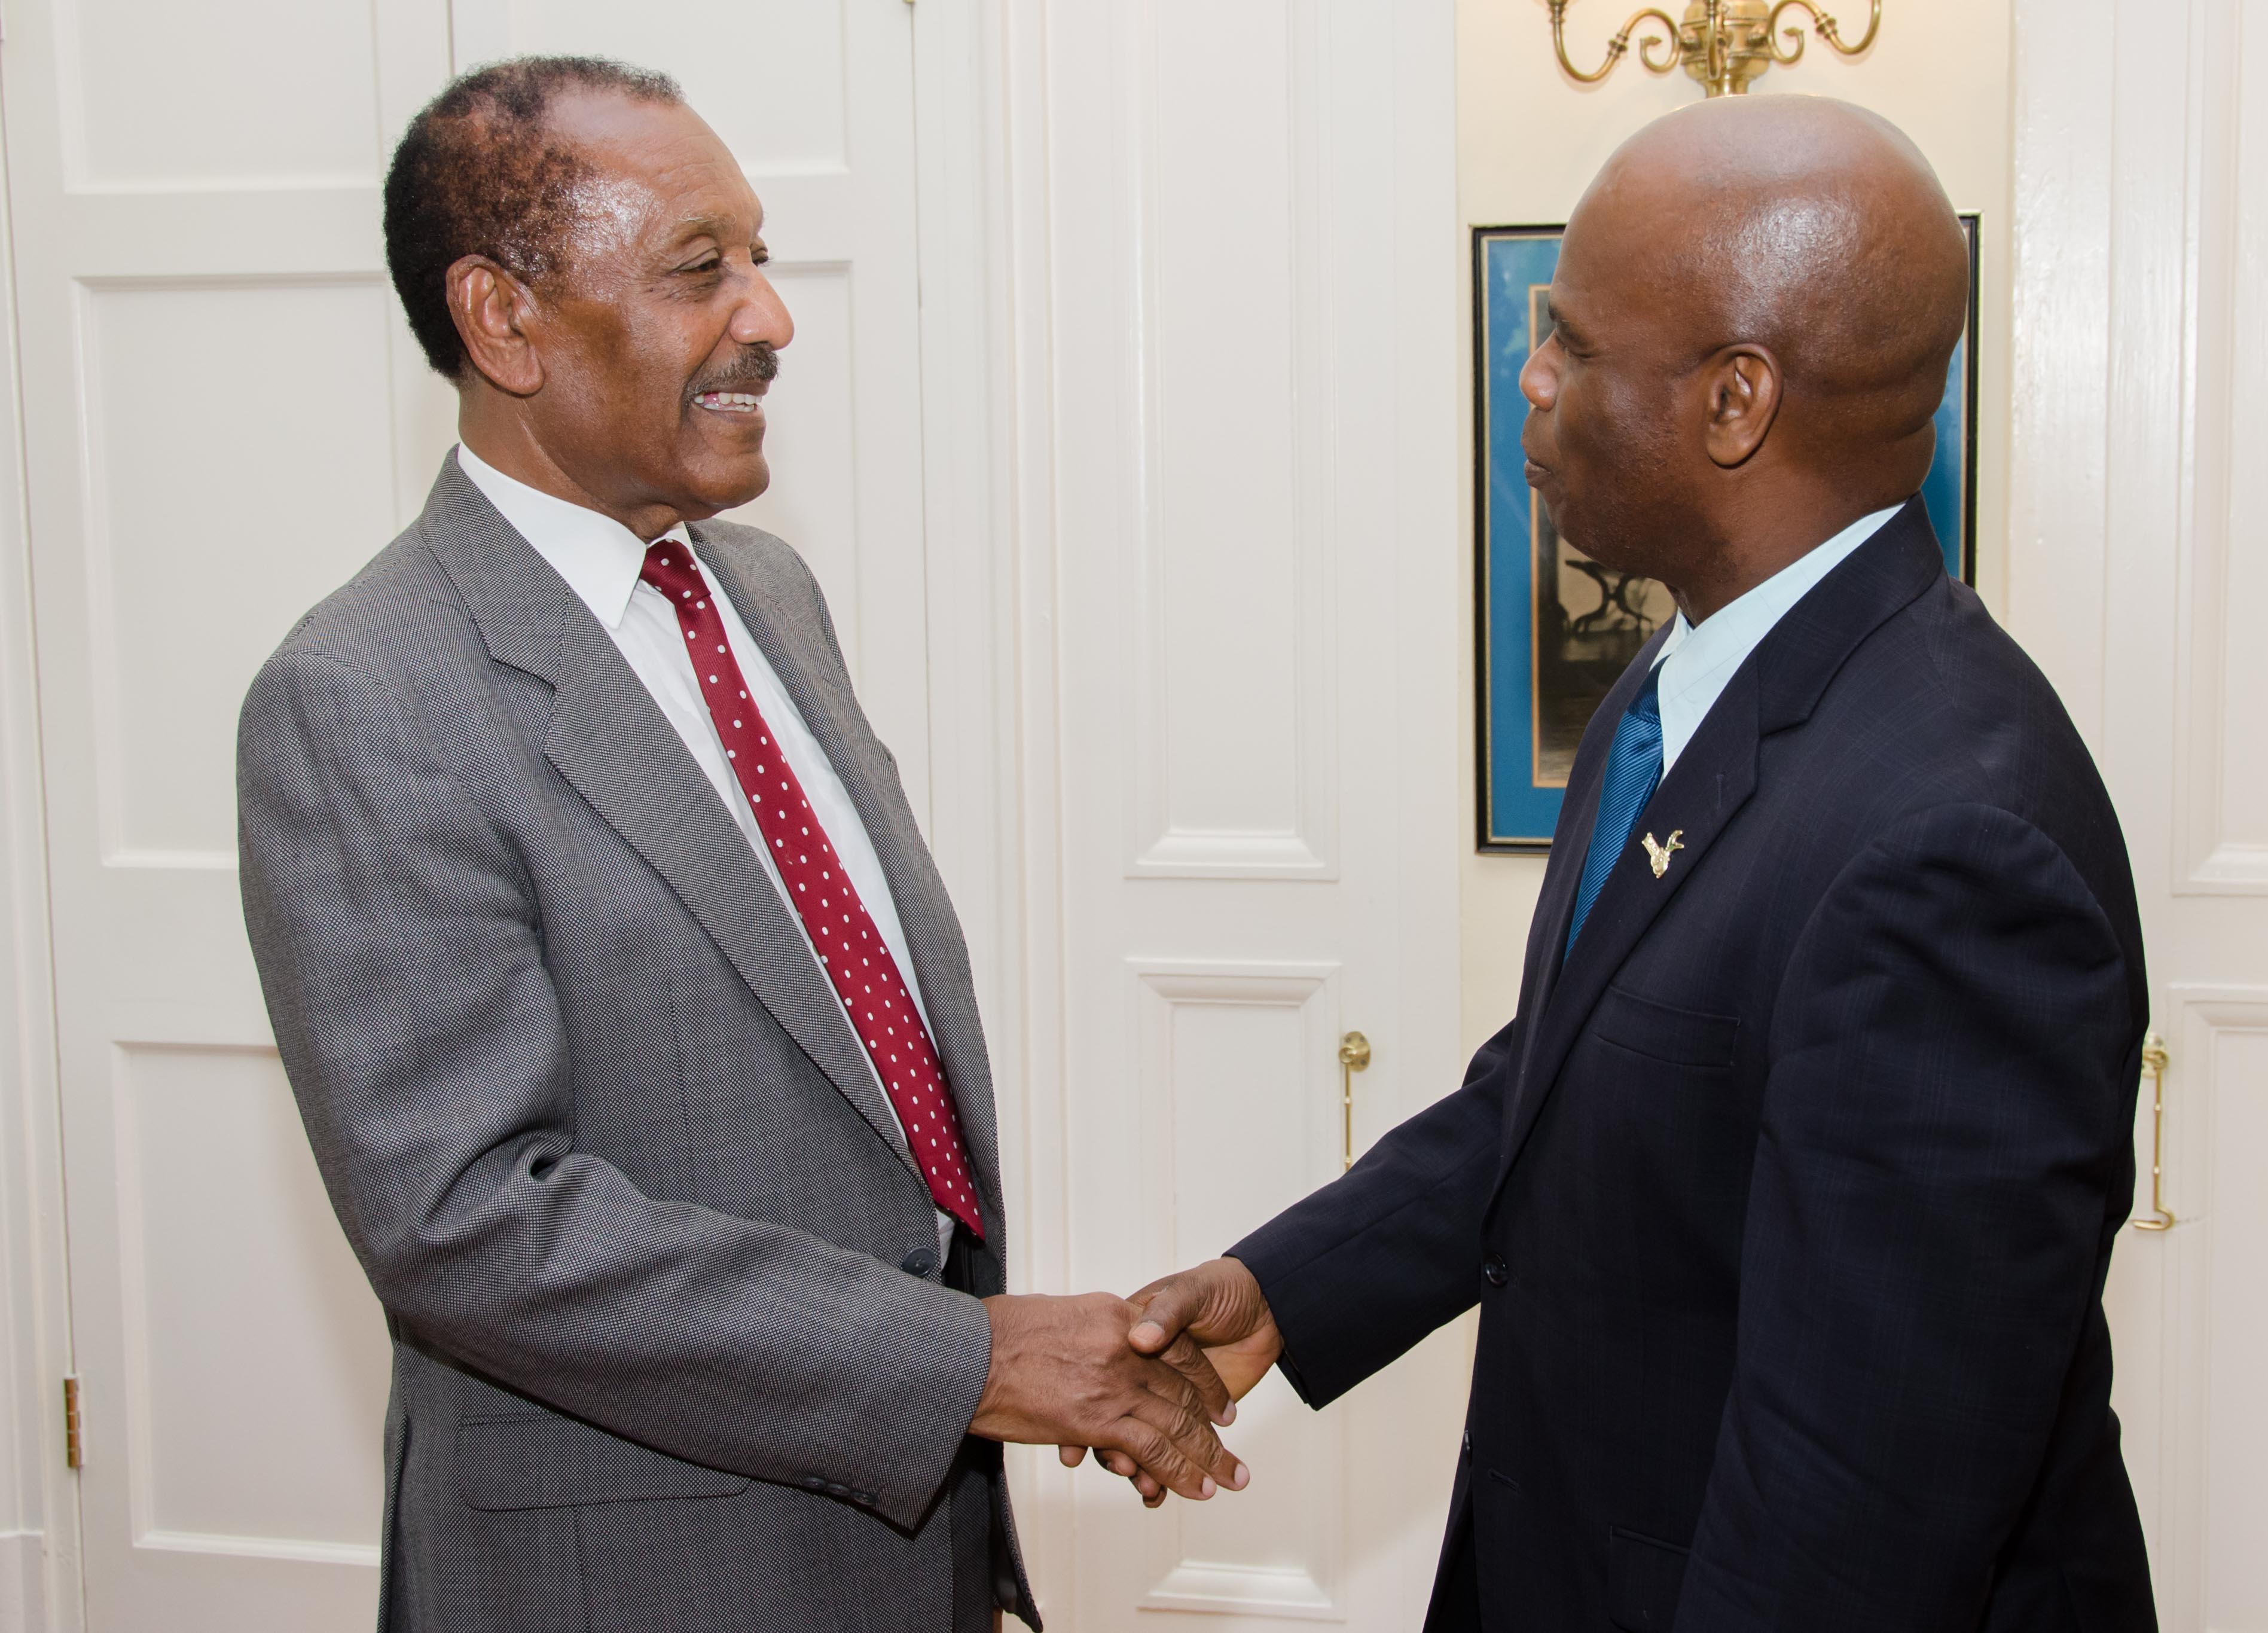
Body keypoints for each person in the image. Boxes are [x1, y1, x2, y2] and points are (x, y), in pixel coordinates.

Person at [1124, 96, 2159, 1631]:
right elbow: (1568, 1086)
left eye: (1576, 346)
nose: (1529, 381)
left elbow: (1856, 1516)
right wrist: (1291, 1288)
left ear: (1735, 401)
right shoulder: (1690, 683)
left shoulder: (1954, 841)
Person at [237, 57, 1243, 1633]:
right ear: (504, 322)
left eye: (758, 257)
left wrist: (990, 1374)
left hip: (899, 1530)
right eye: (702, 267)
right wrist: (971, 1362)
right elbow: (472, 1222)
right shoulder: (364, 694)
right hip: (635, 1574)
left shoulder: (762, 591)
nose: (769, 316)